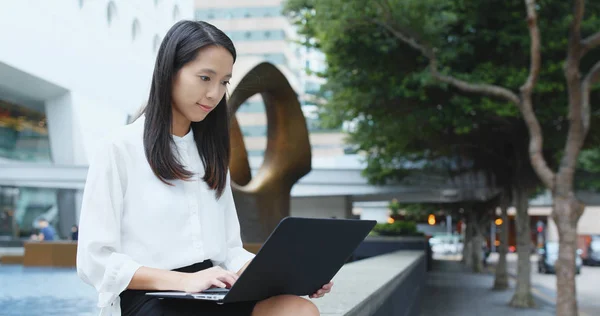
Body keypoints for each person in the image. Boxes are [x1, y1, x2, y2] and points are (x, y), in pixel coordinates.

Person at [76, 20, 330, 316]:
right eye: (205, 78)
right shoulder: (119, 148)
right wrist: (184, 281)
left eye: (224, 82)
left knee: (298, 309)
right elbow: (95, 259)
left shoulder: (211, 154)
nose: (214, 93)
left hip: (213, 290)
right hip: (150, 296)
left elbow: (230, 251)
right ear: (170, 72)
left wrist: (292, 279)